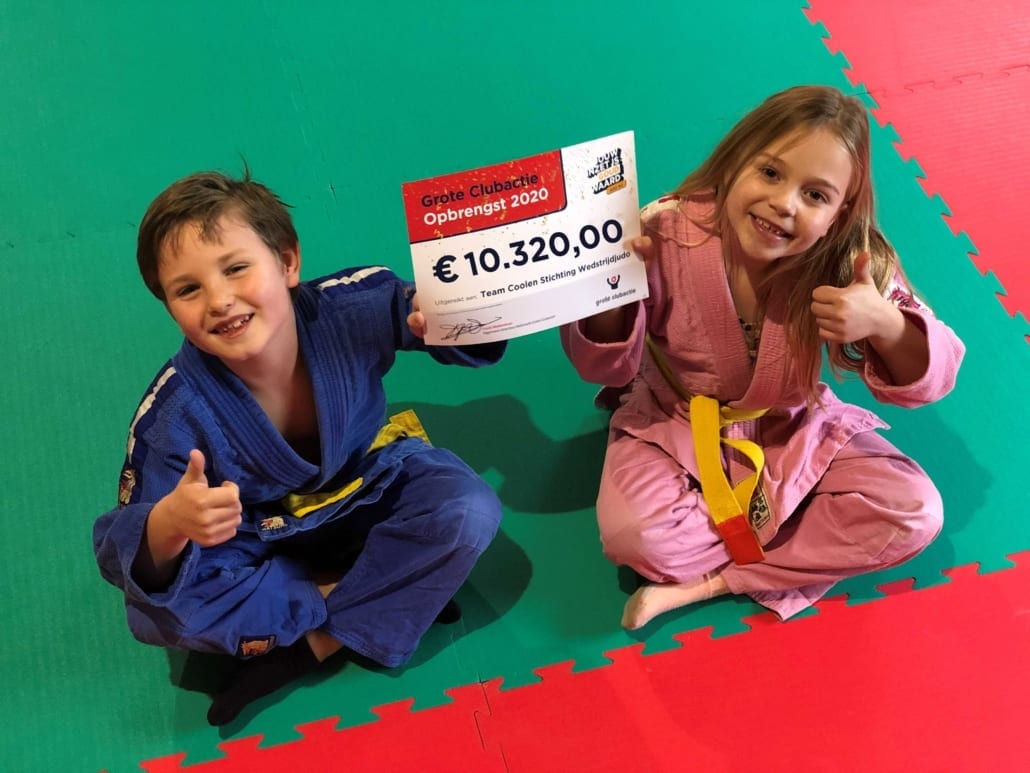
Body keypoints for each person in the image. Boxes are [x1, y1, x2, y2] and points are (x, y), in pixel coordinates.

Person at [93, 169, 506, 725]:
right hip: (258, 538)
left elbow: (426, 313)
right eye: (188, 289)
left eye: (236, 268)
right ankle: (378, 590)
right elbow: (128, 548)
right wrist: (171, 522)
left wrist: (453, 317)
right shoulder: (172, 415)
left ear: (287, 262)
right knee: (169, 617)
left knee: (466, 510)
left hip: (363, 489)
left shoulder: (349, 308)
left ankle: (312, 644)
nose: (219, 300)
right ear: (169, 306)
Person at [560, 85, 965, 631]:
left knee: (915, 511)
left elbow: (935, 376)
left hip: (790, 431)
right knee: (635, 538)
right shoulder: (661, 232)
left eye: (815, 195)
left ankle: (707, 584)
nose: (785, 203)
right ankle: (780, 540)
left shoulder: (852, 261)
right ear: (733, 161)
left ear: (840, 212)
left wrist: (885, 324)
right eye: (770, 173)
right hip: (672, 423)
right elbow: (601, 367)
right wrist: (609, 290)